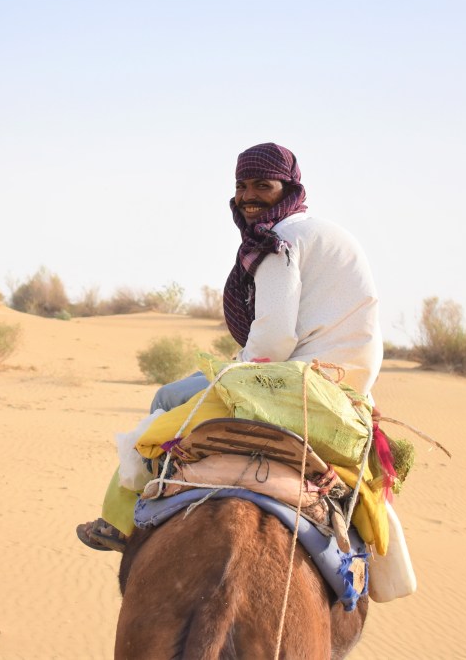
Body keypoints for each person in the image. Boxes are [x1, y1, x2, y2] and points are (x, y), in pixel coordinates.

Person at [76, 142, 383, 552]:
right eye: (241, 186)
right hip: (349, 389)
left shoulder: (277, 241)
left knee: (167, 397)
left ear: (289, 188)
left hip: (294, 385)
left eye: (263, 185)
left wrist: (236, 369)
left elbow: (273, 340)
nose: (248, 196)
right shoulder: (328, 233)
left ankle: (121, 523)